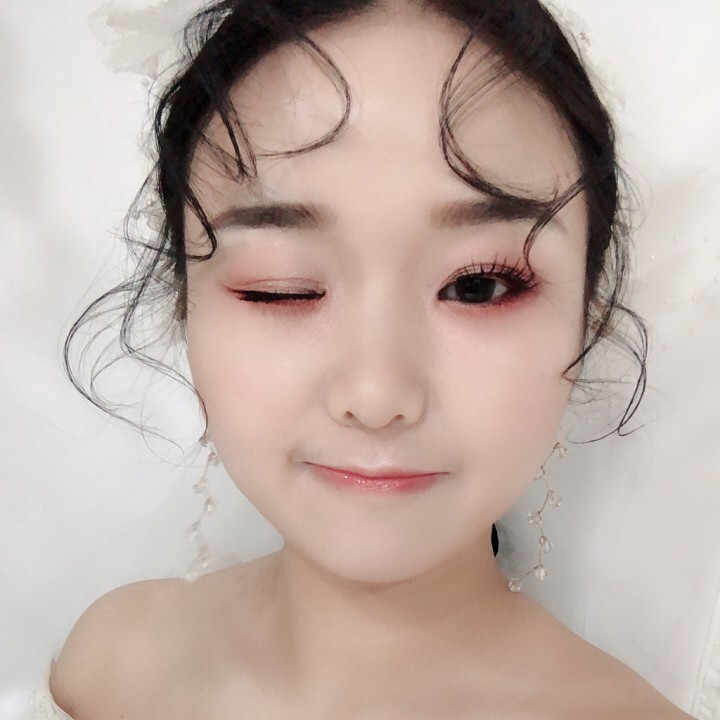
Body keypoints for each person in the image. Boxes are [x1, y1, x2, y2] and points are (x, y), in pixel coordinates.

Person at [26, 0, 699, 717]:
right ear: (184, 307)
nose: (377, 395)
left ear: (589, 317)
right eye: (282, 288)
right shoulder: (114, 659)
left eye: (479, 286)